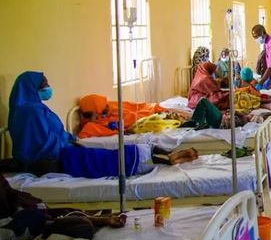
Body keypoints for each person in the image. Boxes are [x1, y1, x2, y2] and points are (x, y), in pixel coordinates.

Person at [8, 72, 197, 178]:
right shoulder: (30, 113)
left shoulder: (35, 108)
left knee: (105, 155)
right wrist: (68, 144)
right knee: (103, 159)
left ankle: (162, 154)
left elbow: (51, 136)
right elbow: (41, 145)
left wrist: (70, 140)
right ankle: (161, 157)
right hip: (54, 160)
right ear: (31, 88)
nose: (48, 87)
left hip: (63, 152)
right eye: (44, 84)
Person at [77, 94, 164, 139]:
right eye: (104, 107)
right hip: (134, 121)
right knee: (136, 115)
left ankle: (155, 109)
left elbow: (130, 106)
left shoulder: (110, 106)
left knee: (139, 108)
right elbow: (84, 134)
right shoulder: (91, 125)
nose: (106, 107)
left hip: (138, 112)